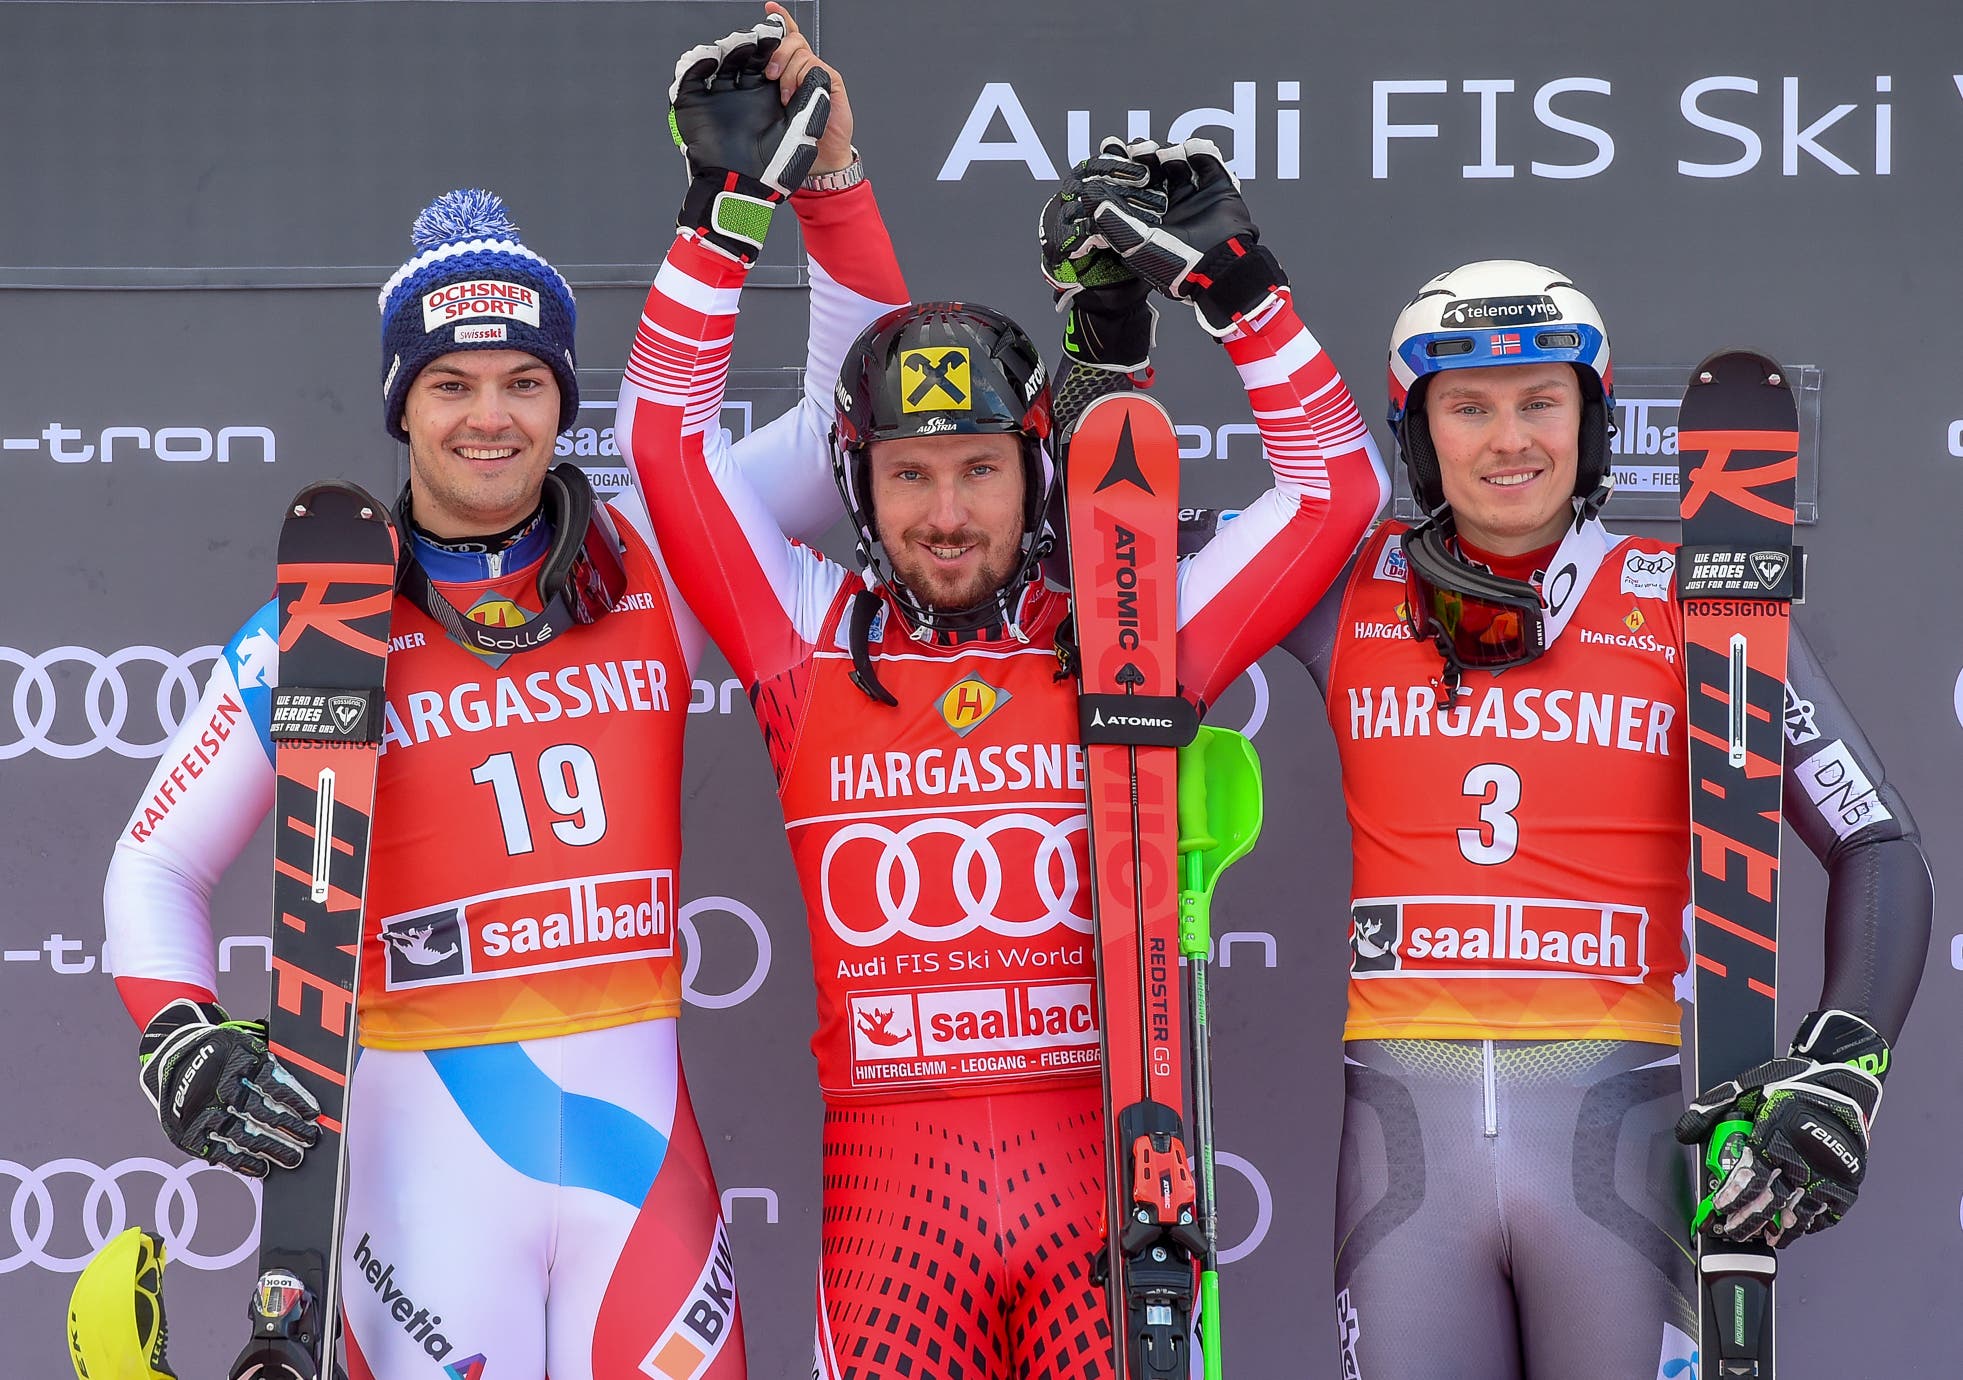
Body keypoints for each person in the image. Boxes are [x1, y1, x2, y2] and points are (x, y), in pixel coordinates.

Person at [100, 15, 905, 1373]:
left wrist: (827, 182)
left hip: (638, 1154)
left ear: (560, 396)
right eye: (453, 383)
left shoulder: (654, 545)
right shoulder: (322, 623)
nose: (491, 416)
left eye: (525, 381)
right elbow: (153, 865)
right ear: (400, 407)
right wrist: (178, 1034)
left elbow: (847, 429)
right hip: (427, 1173)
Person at [625, 30, 1388, 1375]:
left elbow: (1337, 490)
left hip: (1100, 1202)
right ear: (856, 488)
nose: (944, 513)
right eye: (909, 476)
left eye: (977, 469)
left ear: (1036, 472)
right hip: (887, 1221)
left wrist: (1241, 288)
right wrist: (725, 209)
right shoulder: (802, 635)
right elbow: (662, 441)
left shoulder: (1124, 630)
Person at [1193, 258, 1932, 1377]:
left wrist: (1844, 1062)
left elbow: (1874, 840)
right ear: (1416, 431)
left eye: (1541, 401)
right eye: (1468, 406)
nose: (1508, 439)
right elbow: (1109, 560)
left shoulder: (1691, 600)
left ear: (1590, 424)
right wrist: (1100, 364)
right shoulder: (1339, 584)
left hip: (1619, 1137)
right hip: (1403, 1151)